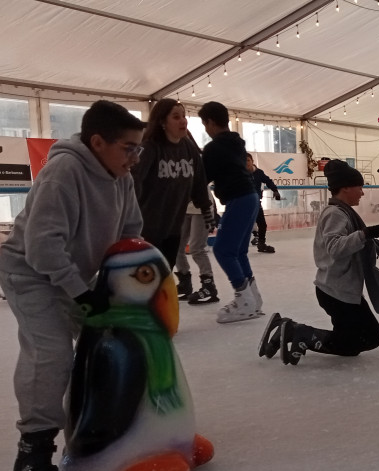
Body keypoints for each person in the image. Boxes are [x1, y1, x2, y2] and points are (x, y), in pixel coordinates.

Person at [0, 100, 145, 471]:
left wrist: (119, 282)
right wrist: (81, 293)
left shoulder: (122, 178)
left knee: (113, 342)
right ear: (98, 142)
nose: (135, 158)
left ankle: (103, 429)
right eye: (128, 148)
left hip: (75, 275)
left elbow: (130, 232)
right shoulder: (63, 171)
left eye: (137, 148)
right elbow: (42, 247)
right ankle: (33, 449)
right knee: (52, 353)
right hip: (28, 273)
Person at [258, 160, 379, 365]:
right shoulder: (335, 213)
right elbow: (335, 247)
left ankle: (289, 330)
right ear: (346, 187)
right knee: (362, 340)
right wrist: (366, 234)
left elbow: (349, 239)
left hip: (342, 290)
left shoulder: (343, 212)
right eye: (360, 187)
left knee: (363, 339)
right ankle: (299, 333)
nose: (362, 193)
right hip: (336, 291)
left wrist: (370, 242)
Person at [130, 98, 214, 272]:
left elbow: (199, 178)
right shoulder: (150, 148)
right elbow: (133, 180)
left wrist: (205, 207)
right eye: (176, 117)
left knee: (165, 271)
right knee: (147, 276)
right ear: (162, 122)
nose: (183, 120)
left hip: (173, 227)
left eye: (183, 116)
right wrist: (127, 215)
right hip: (147, 229)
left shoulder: (188, 147)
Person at [198, 101, 263, 323]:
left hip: (239, 199)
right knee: (239, 251)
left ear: (210, 122)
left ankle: (244, 300)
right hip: (250, 197)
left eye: (204, 124)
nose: (205, 129)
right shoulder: (235, 143)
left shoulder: (214, 148)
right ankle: (253, 298)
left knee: (223, 251)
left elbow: (202, 178)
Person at [176, 195, 220, 305]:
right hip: (183, 207)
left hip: (201, 207)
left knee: (196, 248)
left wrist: (209, 212)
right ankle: (184, 283)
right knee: (176, 246)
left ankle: (209, 286)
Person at [246, 153, 282, 254]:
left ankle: (261, 243)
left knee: (262, 224)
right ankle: (238, 245)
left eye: (248, 160)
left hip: (256, 203)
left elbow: (268, 181)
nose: (246, 163)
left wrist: (275, 190)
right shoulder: (241, 174)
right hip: (244, 204)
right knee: (244, 225)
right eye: (243, 160)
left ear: (252, 161)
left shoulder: (259, 173)